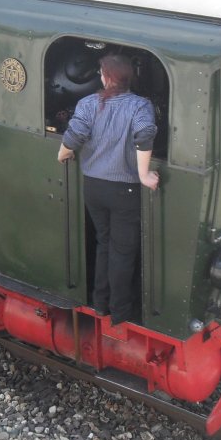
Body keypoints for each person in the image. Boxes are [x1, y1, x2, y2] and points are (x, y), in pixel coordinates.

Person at [57, 54, 159, 325]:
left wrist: (61, 154)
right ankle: (121, 311)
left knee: (105, 244)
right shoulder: (140, 106)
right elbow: (145, 136)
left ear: (106, 76)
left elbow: (74, 136)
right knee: (122, 252)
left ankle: (100, 303)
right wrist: (143, 175)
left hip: (93, 187)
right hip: (124, 190)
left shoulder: (88, 103)